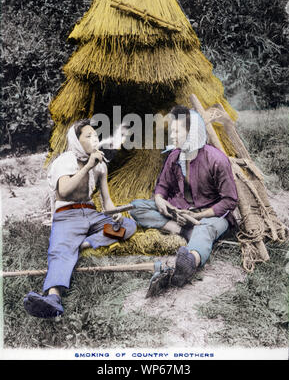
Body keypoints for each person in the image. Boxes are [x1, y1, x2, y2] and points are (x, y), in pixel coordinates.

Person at [24, 119, 137, 318]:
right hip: (67, 214)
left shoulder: (100, 166)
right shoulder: (65, 161)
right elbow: (64, 191)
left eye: (95, 135)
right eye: (88, 136)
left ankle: (84, 244)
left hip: (91, 215)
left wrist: (116, 213)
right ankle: (53, 297)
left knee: (127, 226)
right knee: (59, 250)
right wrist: (87, 167)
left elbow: (107, 203)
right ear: (76, 141)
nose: (95, 139)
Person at [130, 105, 238, 289]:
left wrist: (199, 216)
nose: (172, 136)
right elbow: (162, 186)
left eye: (176, 131)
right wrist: (160, 201)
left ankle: (189, 261)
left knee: (204, 229)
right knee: (137, 207)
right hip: (179, 212)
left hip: (209, 216)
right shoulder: (175, 156)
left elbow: (229, 201)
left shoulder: (216, 160)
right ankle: (183, 232)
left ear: (191, 132)